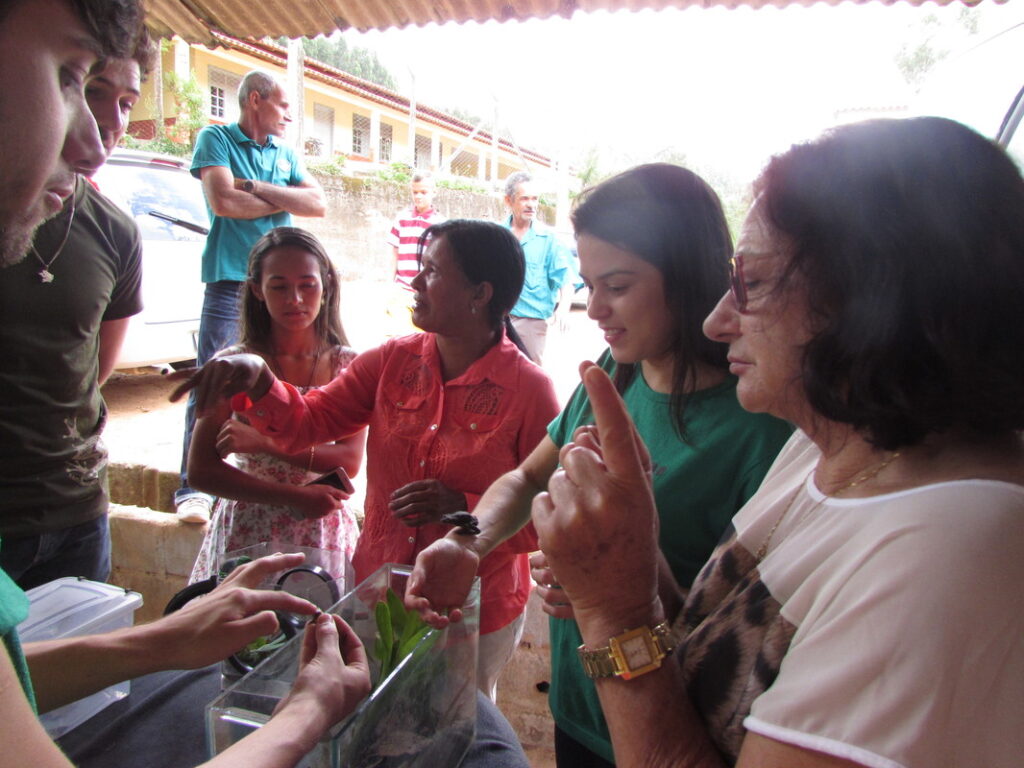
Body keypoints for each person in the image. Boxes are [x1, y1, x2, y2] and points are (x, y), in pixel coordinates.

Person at [531, 117, 1024, 767]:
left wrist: (610, 611)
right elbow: (713, 654)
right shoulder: (833, 443)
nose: (717, 320)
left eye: (753, 283)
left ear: (870, 298)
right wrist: (631, 562)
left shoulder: (949, 547)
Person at [408, 164, 792, 765]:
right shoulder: (614, 375)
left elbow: (747, 635)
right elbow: (527, 477)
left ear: (687, 276)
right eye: (589, 285)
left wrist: (613, 590)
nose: (595, 308)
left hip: (664, 731)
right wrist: (468, 543)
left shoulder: (757, 427)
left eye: (617, 285)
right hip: (580, 705)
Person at [171, 219, 561, 701]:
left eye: (432, 272)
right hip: (378, 590)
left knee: (454, 724)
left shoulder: (530, 389)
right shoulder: (390, 361)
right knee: (368, 717)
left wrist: (461, 505)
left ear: (479, 294)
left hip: (471, 605)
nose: (415, 282)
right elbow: (308, 421)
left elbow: (546, 516)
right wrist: (260, 378)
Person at [0, 32, 156, 590]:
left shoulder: (116, 232)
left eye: (127, 102)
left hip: (78, 512)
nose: (110, 123)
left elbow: (93, 369)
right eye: (91, 89)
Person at [176, 70, 327, 525]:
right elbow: (224, 202)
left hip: (280, 280)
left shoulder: (285, 153)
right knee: (215, 380)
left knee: (280, 378)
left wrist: (254, 187)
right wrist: (286, 199)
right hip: (230, 279)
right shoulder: (216, 139)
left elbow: (317, 204)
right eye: (283, 105)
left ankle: (263, 467)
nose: (288, 116)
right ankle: (193, 487)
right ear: (256, 100)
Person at [187, 227, 363, 582]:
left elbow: (348, 460)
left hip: (321, 526)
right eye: (279, 287)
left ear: (327, 285)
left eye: (307, 285)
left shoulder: (347, 365)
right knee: (244, 615)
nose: (295, 299)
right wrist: (292, 496)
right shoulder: (235, 365)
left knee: (320, 615)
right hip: (249, 527)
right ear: (257, 289)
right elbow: (201, 470)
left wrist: (265, 443)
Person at [502, 171, 575, 365]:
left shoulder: (548, 239)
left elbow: (566, 279)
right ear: (508, 200)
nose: (531, 204)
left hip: (531, 324)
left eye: (534, 199)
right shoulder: (498, 235)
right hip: (497, 320)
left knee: (528, 374)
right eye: (524, 198)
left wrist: (563, 309)